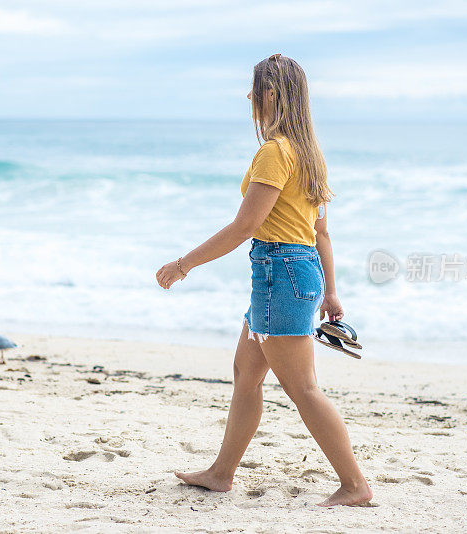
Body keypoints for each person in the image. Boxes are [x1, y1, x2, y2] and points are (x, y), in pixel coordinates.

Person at [155, 53, 372, 507]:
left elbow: (244, 227)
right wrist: (330, 291)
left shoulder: (275, 153)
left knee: (304, 390)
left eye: (255, 89)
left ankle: (355, 486)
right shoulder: (309, 154)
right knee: (246, 375)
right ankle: (220, 473)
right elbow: (321, 233)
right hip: (291, 272)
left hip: (280, 273)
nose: (250, 97)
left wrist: (184, 263)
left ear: (271, 94)